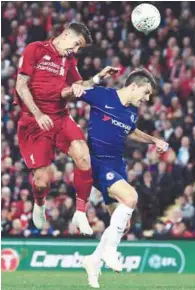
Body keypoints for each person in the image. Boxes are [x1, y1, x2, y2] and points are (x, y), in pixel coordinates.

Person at [62, 68, 169, 288]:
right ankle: (111, 251)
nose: (147, 98)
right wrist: (77, 87)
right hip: (98, 161)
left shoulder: (131, 112)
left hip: (117, 164)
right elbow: (73, 93)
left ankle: (93, 260)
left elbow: (131, 131)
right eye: (146, 93)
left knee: (123, 223)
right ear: (134, 86)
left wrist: (154, 140)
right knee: (130, 198)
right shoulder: (103, 95)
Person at [15, 21, 120, 235]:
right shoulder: (35, 49)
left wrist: (99, 77)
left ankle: (80, 212)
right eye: (77, 44)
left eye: (80, 48)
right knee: (42, 182)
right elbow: (20, 85)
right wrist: (38, 114)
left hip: (60, 117)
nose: (77, 50)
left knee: (83, 156)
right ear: (65, 34)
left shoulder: (69, 60)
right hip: (33, 121)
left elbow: (79, 87)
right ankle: (40, 201)